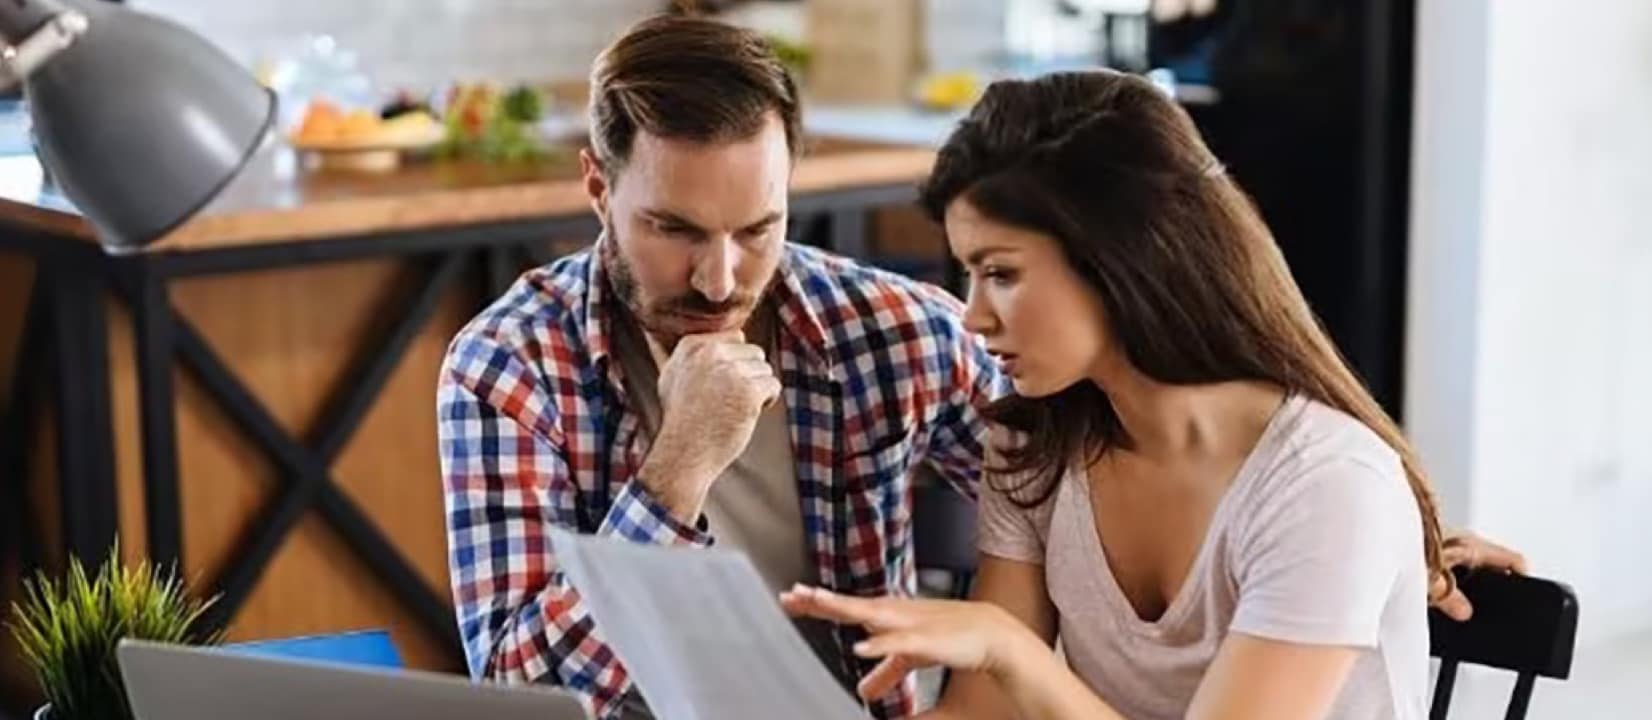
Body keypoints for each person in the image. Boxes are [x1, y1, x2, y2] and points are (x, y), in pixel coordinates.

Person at [781, 70, 1525, 720]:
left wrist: (1012, 651)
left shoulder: (1325, 485)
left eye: (1000, 274)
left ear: (1120, 259)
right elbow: (986, 713)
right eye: (968, 276)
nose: (971, 315)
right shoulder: (1033, 444)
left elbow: (1012, 673)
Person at [436, 14, 998, 719]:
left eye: (759, 229)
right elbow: (516, 688)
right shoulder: (508, 367)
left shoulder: (896, 331)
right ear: (598, 188)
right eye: (674, 229)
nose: (719, 281)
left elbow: (1073, 521)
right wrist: (678, 469)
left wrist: (977, 697)